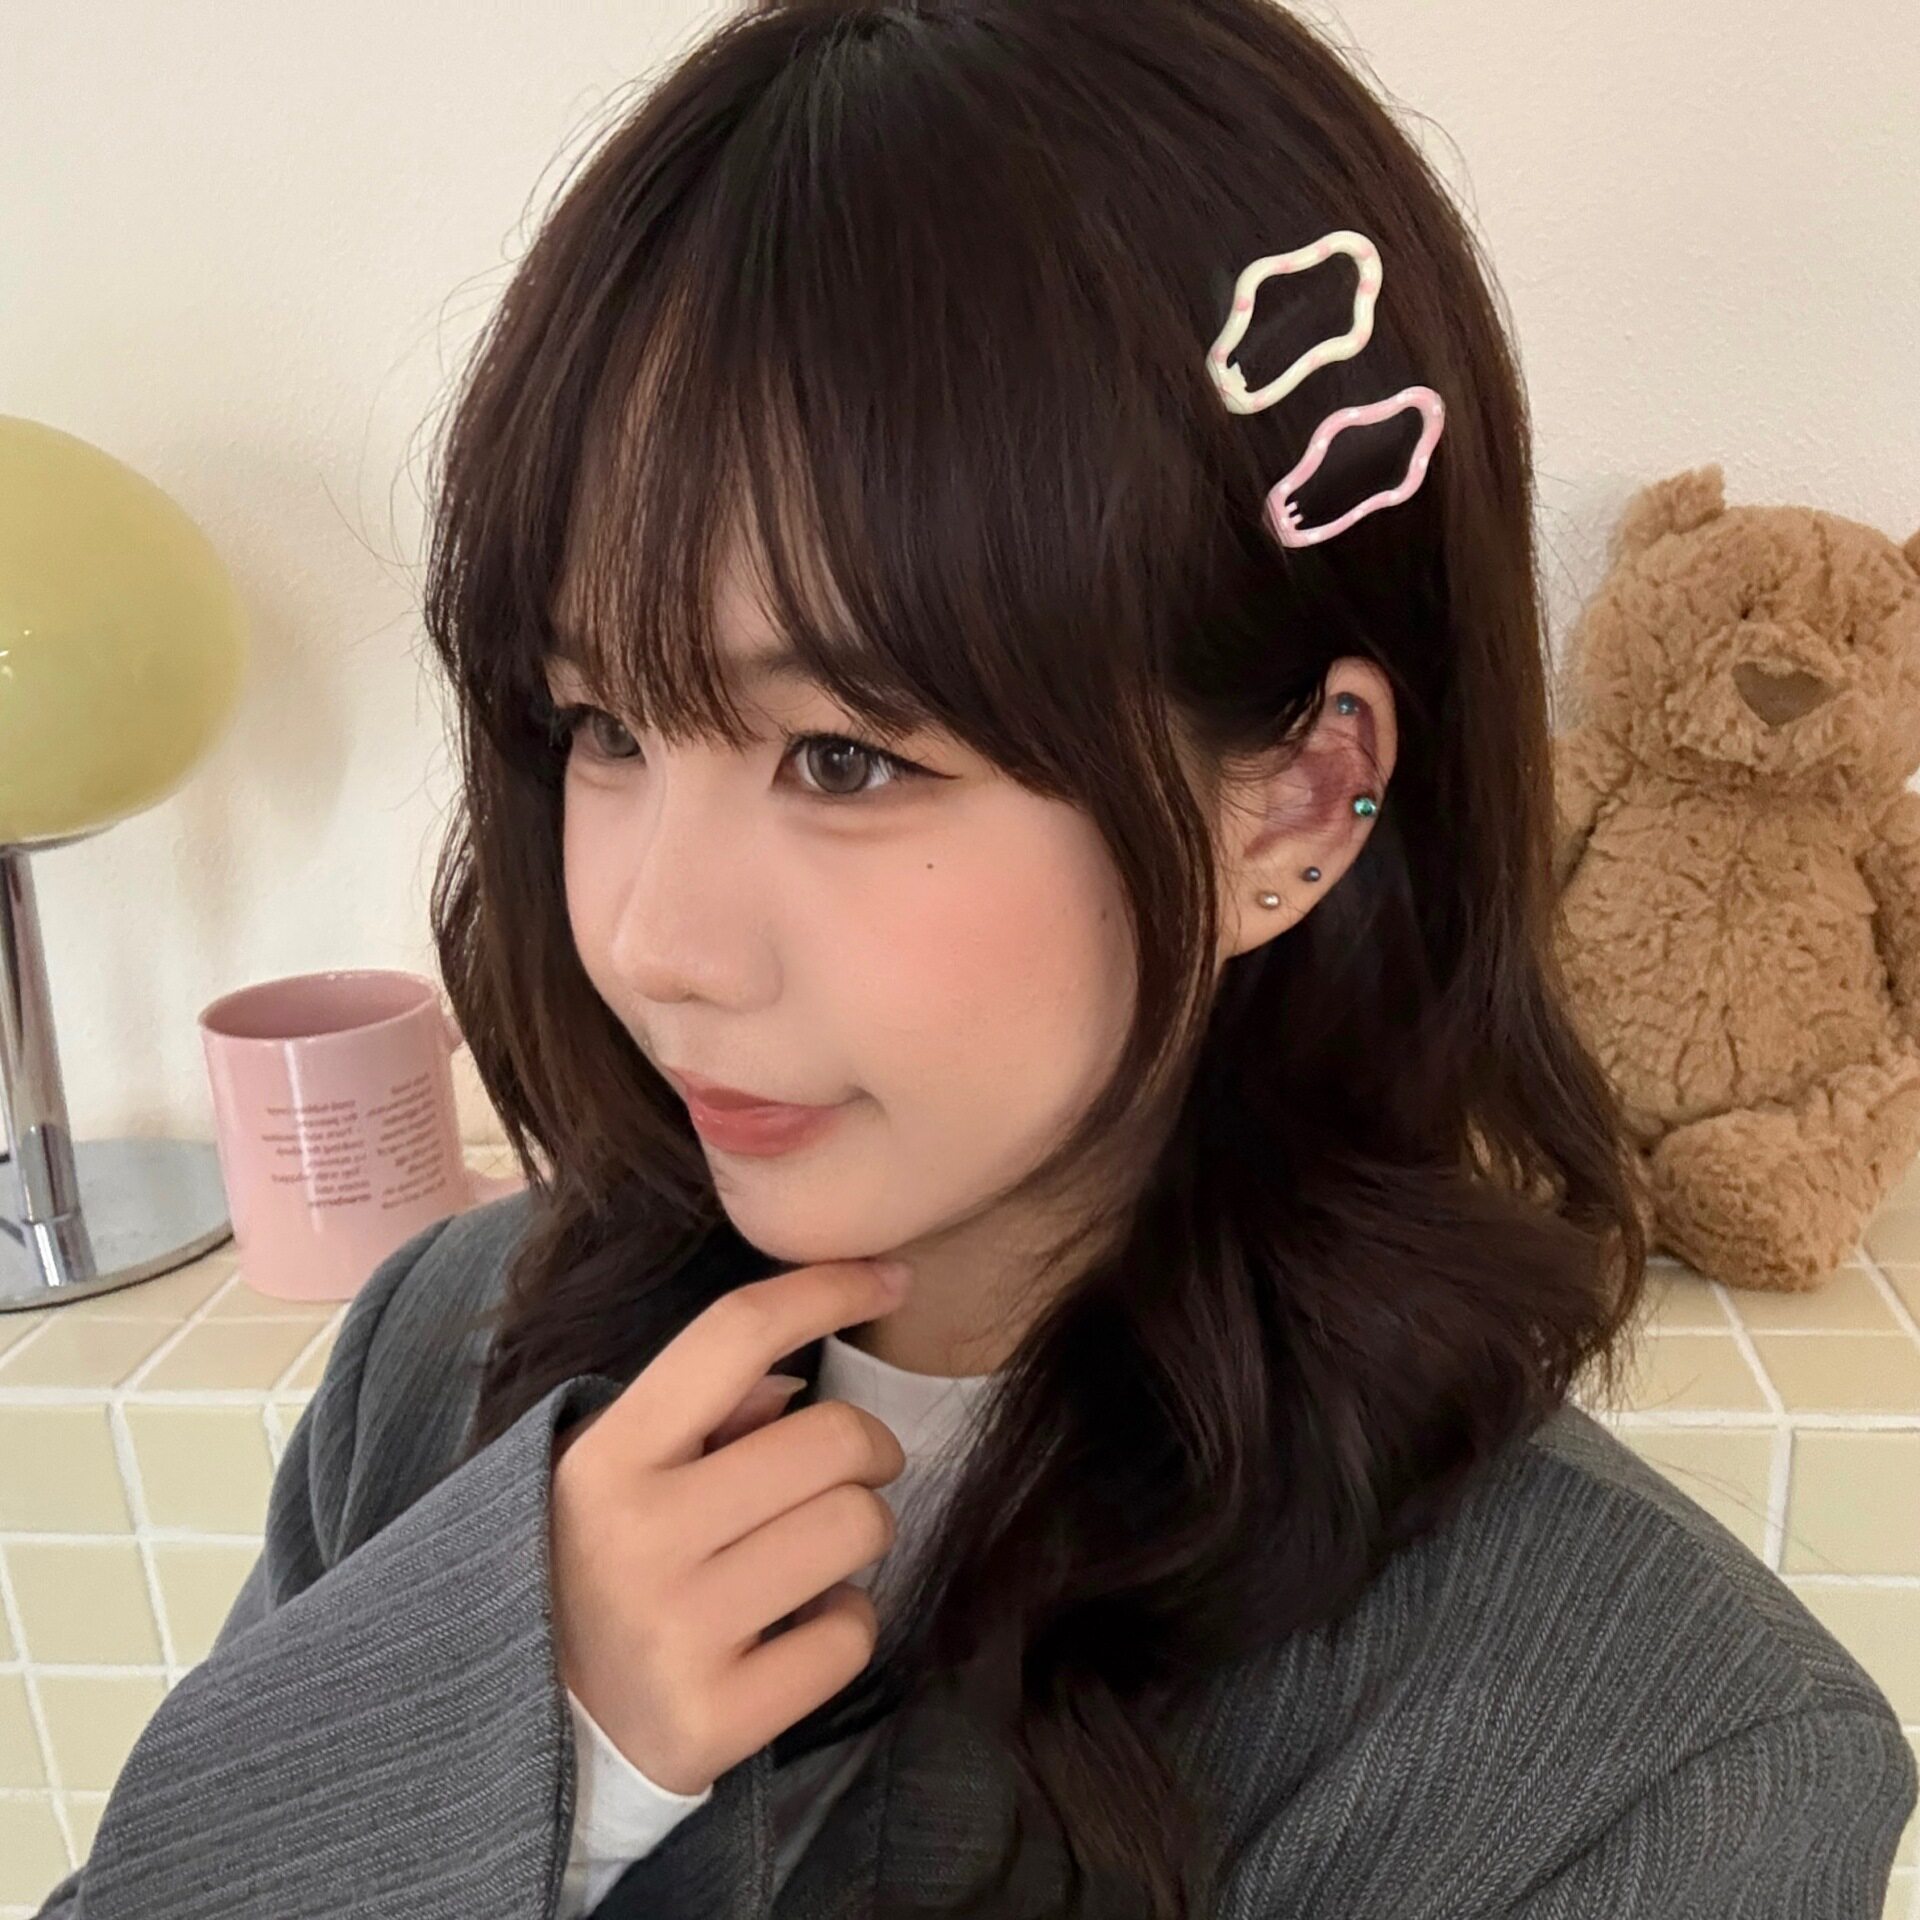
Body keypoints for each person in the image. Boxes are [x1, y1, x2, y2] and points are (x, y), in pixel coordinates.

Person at [35, 0, 1917, 1915]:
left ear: (1294, 801)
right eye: (601, 724)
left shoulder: (1652, 1768)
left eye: (843, 758)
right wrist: (494, 1741)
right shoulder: (443, 1358)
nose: (653, 941)